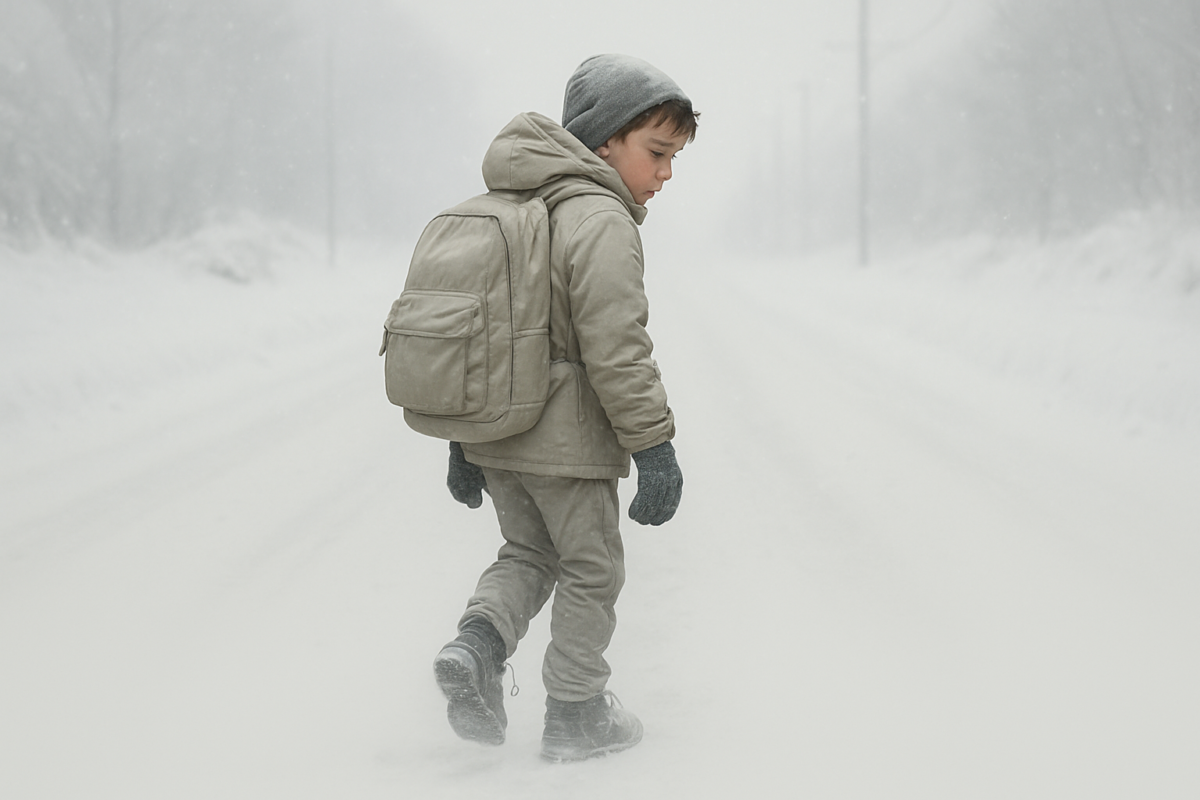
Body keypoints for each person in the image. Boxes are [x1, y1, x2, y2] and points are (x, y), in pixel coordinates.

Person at [432, 54, 698, 763]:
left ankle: (477, 644)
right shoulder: (600, 217)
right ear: (605, 139)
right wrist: (654, 446)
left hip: (498, 433)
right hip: (567, 441)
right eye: (659, 152)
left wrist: (463, 443)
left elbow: (479, 340)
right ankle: (578, 711)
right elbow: (617, 346)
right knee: (591, 569)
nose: (667, 172)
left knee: (527, 552)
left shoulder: (515, 207)